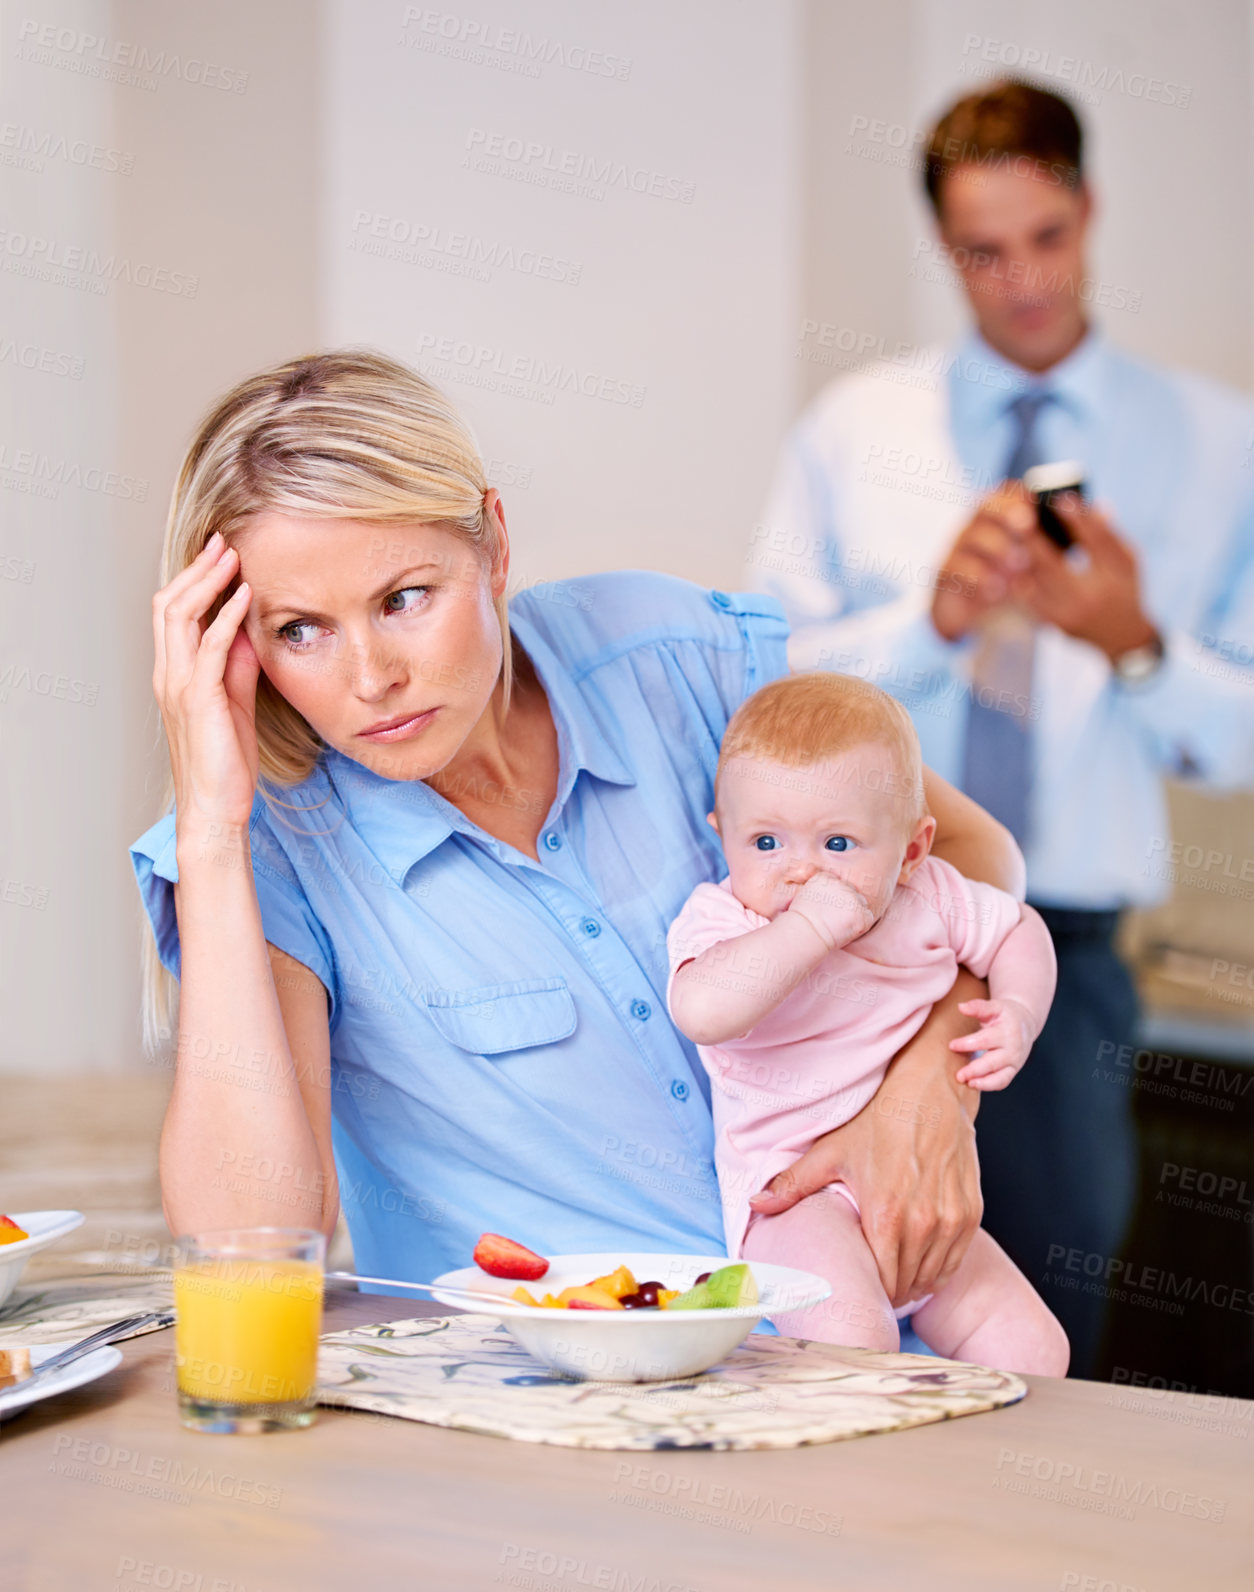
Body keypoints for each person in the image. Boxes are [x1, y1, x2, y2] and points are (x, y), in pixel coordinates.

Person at [131, 348, 1025, 1314]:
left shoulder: (677, 658)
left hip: (872, 1340)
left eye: (403, 599)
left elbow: (967, 855)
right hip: (555, 1416)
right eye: (299, 630)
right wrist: (213, 833)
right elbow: (250, 1257)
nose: (369, 676)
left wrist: (928, 1088)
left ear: (494, 545)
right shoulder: (274, 838)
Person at [748, 79, 1254, 1375]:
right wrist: (929, 626)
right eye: (982, 250)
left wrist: (1131, 642)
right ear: (942, 243)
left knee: (1039, 1328)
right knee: (833, 1302)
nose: (1021, 281)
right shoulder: (851, 434)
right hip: (836, 941)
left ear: (1087, 211)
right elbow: (756, 689)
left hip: (1060, 955)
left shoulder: (1213, 445)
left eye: (1045, 238)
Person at [666, 671, 1067, 1374]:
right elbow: (702, 1011)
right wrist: (811, 930)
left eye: (839, 844)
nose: (800, 872)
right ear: (721, 834)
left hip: (916, 1192)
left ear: (912, 850)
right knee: (857, 1347)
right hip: (793, 1199)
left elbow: (1018, 931)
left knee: (1035, 1348)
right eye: (765, 842)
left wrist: (1020, 1011)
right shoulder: (727, 918)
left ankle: (983, 1477)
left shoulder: (930, 895)